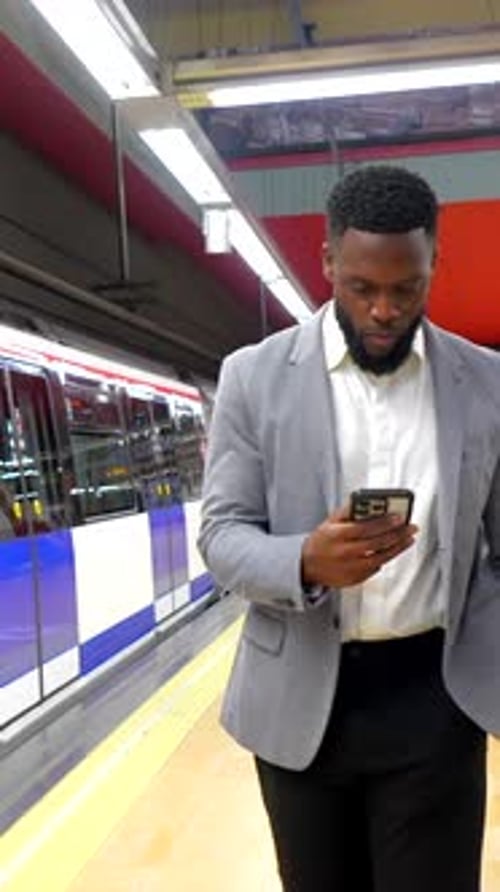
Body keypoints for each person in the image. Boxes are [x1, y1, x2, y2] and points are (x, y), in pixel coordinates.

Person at [198, 165, 500, 892]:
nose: (385, 310)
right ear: (329, 262)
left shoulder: (486, 381)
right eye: (362, 288)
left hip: (439, 697)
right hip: (302, 707)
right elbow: (222, 536)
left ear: (433, 265)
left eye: (406, 288)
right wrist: (304, 560)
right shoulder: (253, 376)